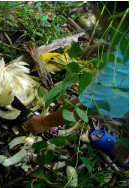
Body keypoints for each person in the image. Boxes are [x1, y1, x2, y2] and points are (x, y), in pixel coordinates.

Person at [21, 2, 129, 167]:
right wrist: (107, 48)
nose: (93, 15)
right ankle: (124, 151)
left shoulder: (119, 70)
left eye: (94, 10)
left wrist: (44, 123)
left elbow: (84, 106)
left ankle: (123, 152)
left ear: (109, 14)